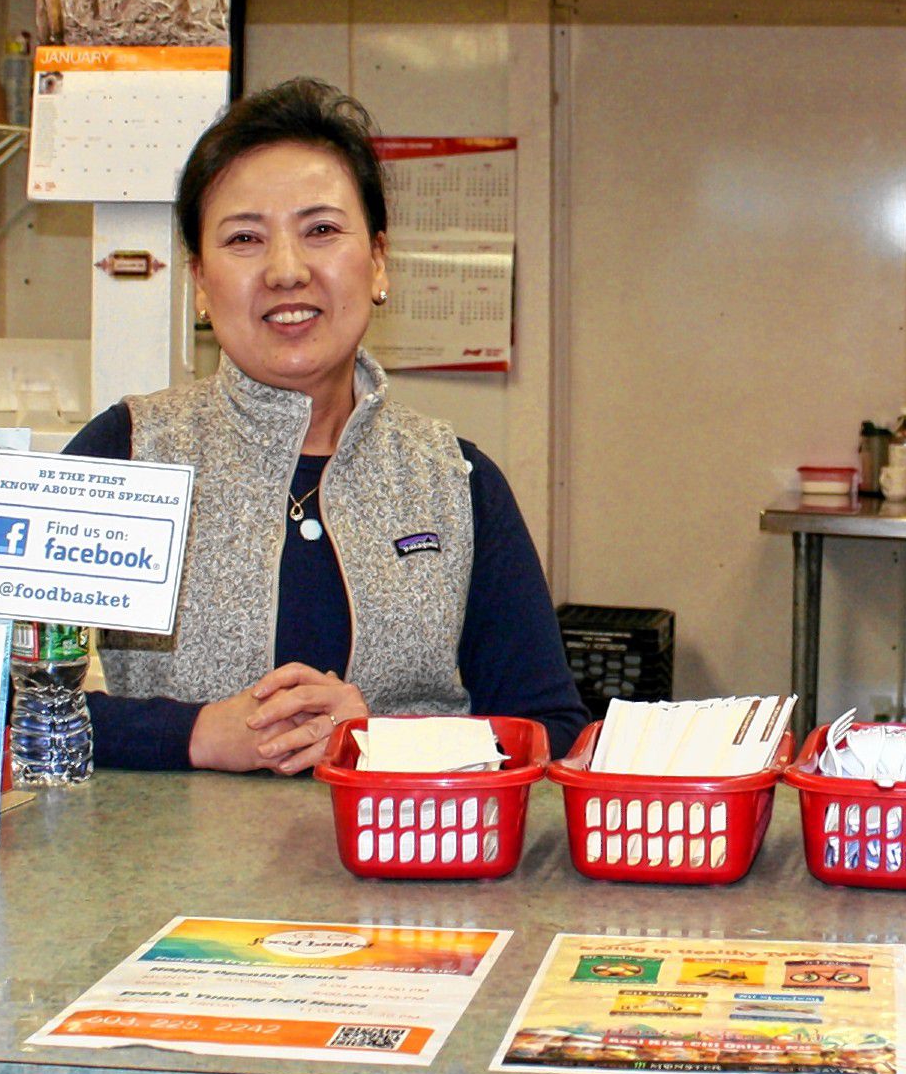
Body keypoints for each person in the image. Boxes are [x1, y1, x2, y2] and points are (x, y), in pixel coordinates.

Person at [64, 77, 585, 773]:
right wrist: (193, 734)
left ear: (376, 261)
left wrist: (383, 740)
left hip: (406, 870)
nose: (286, 269)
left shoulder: (457, 483)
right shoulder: (125, 453)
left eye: (321, 231)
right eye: (245, 237)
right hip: (166, 878)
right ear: (197, 277)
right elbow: (0, 701)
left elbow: (549, 731)